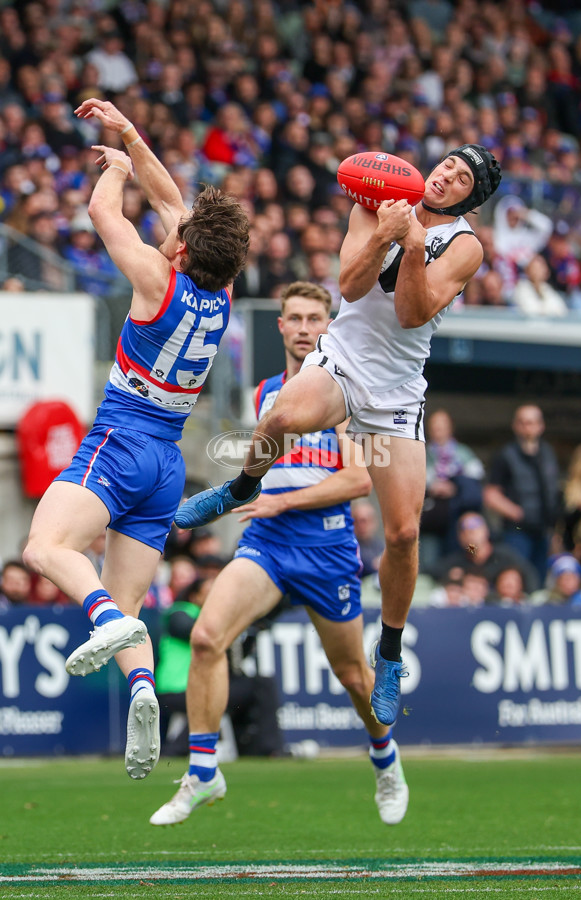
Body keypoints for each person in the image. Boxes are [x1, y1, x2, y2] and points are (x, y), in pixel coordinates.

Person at [174, 144, 502, 728]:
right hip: (343, 361)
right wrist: (385, 231)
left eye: (462, 177)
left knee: (402, 533)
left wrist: (410, 245)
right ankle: (241, 488)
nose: (448, 174)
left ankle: (392, 652)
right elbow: (349, 288)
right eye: (448, 164)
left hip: (398, 390)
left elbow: (410, 313)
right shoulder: (377, 201)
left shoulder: (465, 245)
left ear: (468, 198)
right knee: (277, 418)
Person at [22, 97, 250, 781]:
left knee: (44, 546)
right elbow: (172, 199)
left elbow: (102, 214)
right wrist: (127, 132)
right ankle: (144, 691)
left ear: (179, 247)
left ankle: (99, 614)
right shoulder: (222, 291)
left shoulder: (157, 278)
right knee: (127, 610)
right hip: (166, 463)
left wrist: (113, 168)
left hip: (119, 440)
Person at [150, 282, 409, 828]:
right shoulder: (265, 392)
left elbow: (358, 481)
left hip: (326, 548)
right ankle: (202, 771)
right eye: (294, 317)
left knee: (354, 676)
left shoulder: (342, 396)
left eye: (315, 318)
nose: (305, 327)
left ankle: (385, 759)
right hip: (267, 544)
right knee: (205, 636)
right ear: (281, 325)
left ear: (328, 326)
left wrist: (282, 500)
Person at [155, 577, 283, 758]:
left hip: (199, 687)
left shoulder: (217, 623)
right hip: (178, 689)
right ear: (194, 596)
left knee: (245, 687)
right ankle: (270, 748)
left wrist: (253, 631)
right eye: (210, 593)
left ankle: (251, 746)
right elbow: (197, 635)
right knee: (258, 685)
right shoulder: (180, 612)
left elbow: (232, 658)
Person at [483, 404, 561, 584]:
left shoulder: (547, 453)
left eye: (532, 422)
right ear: (516, 426)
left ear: (541, 426)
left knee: (541, 580)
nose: (528, 427)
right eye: (523, 423)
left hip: (544, 530)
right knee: (518, 579)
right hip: (517, 531)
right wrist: (517, 513)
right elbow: (491, 495)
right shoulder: (506, 455)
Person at [420, 408, 484, 573]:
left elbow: (477, 481)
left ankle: (466, 590)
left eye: (441, 427)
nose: (437, 431)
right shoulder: (422, 453)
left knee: (467, 555)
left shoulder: (463, 453)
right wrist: (431, 487)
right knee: (430, 563)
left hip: (459, 521)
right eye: (434, 427)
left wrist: (455, 487)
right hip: (431, 522)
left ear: (450, 428)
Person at [431, 511, 540, 595]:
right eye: (465, 531)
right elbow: (430, 573)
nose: (470, 534)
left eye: (475, 528)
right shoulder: (456, 562)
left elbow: (531, 578)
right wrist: (450, 578)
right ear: (459, 538)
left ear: (486, 531)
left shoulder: (505, 557)